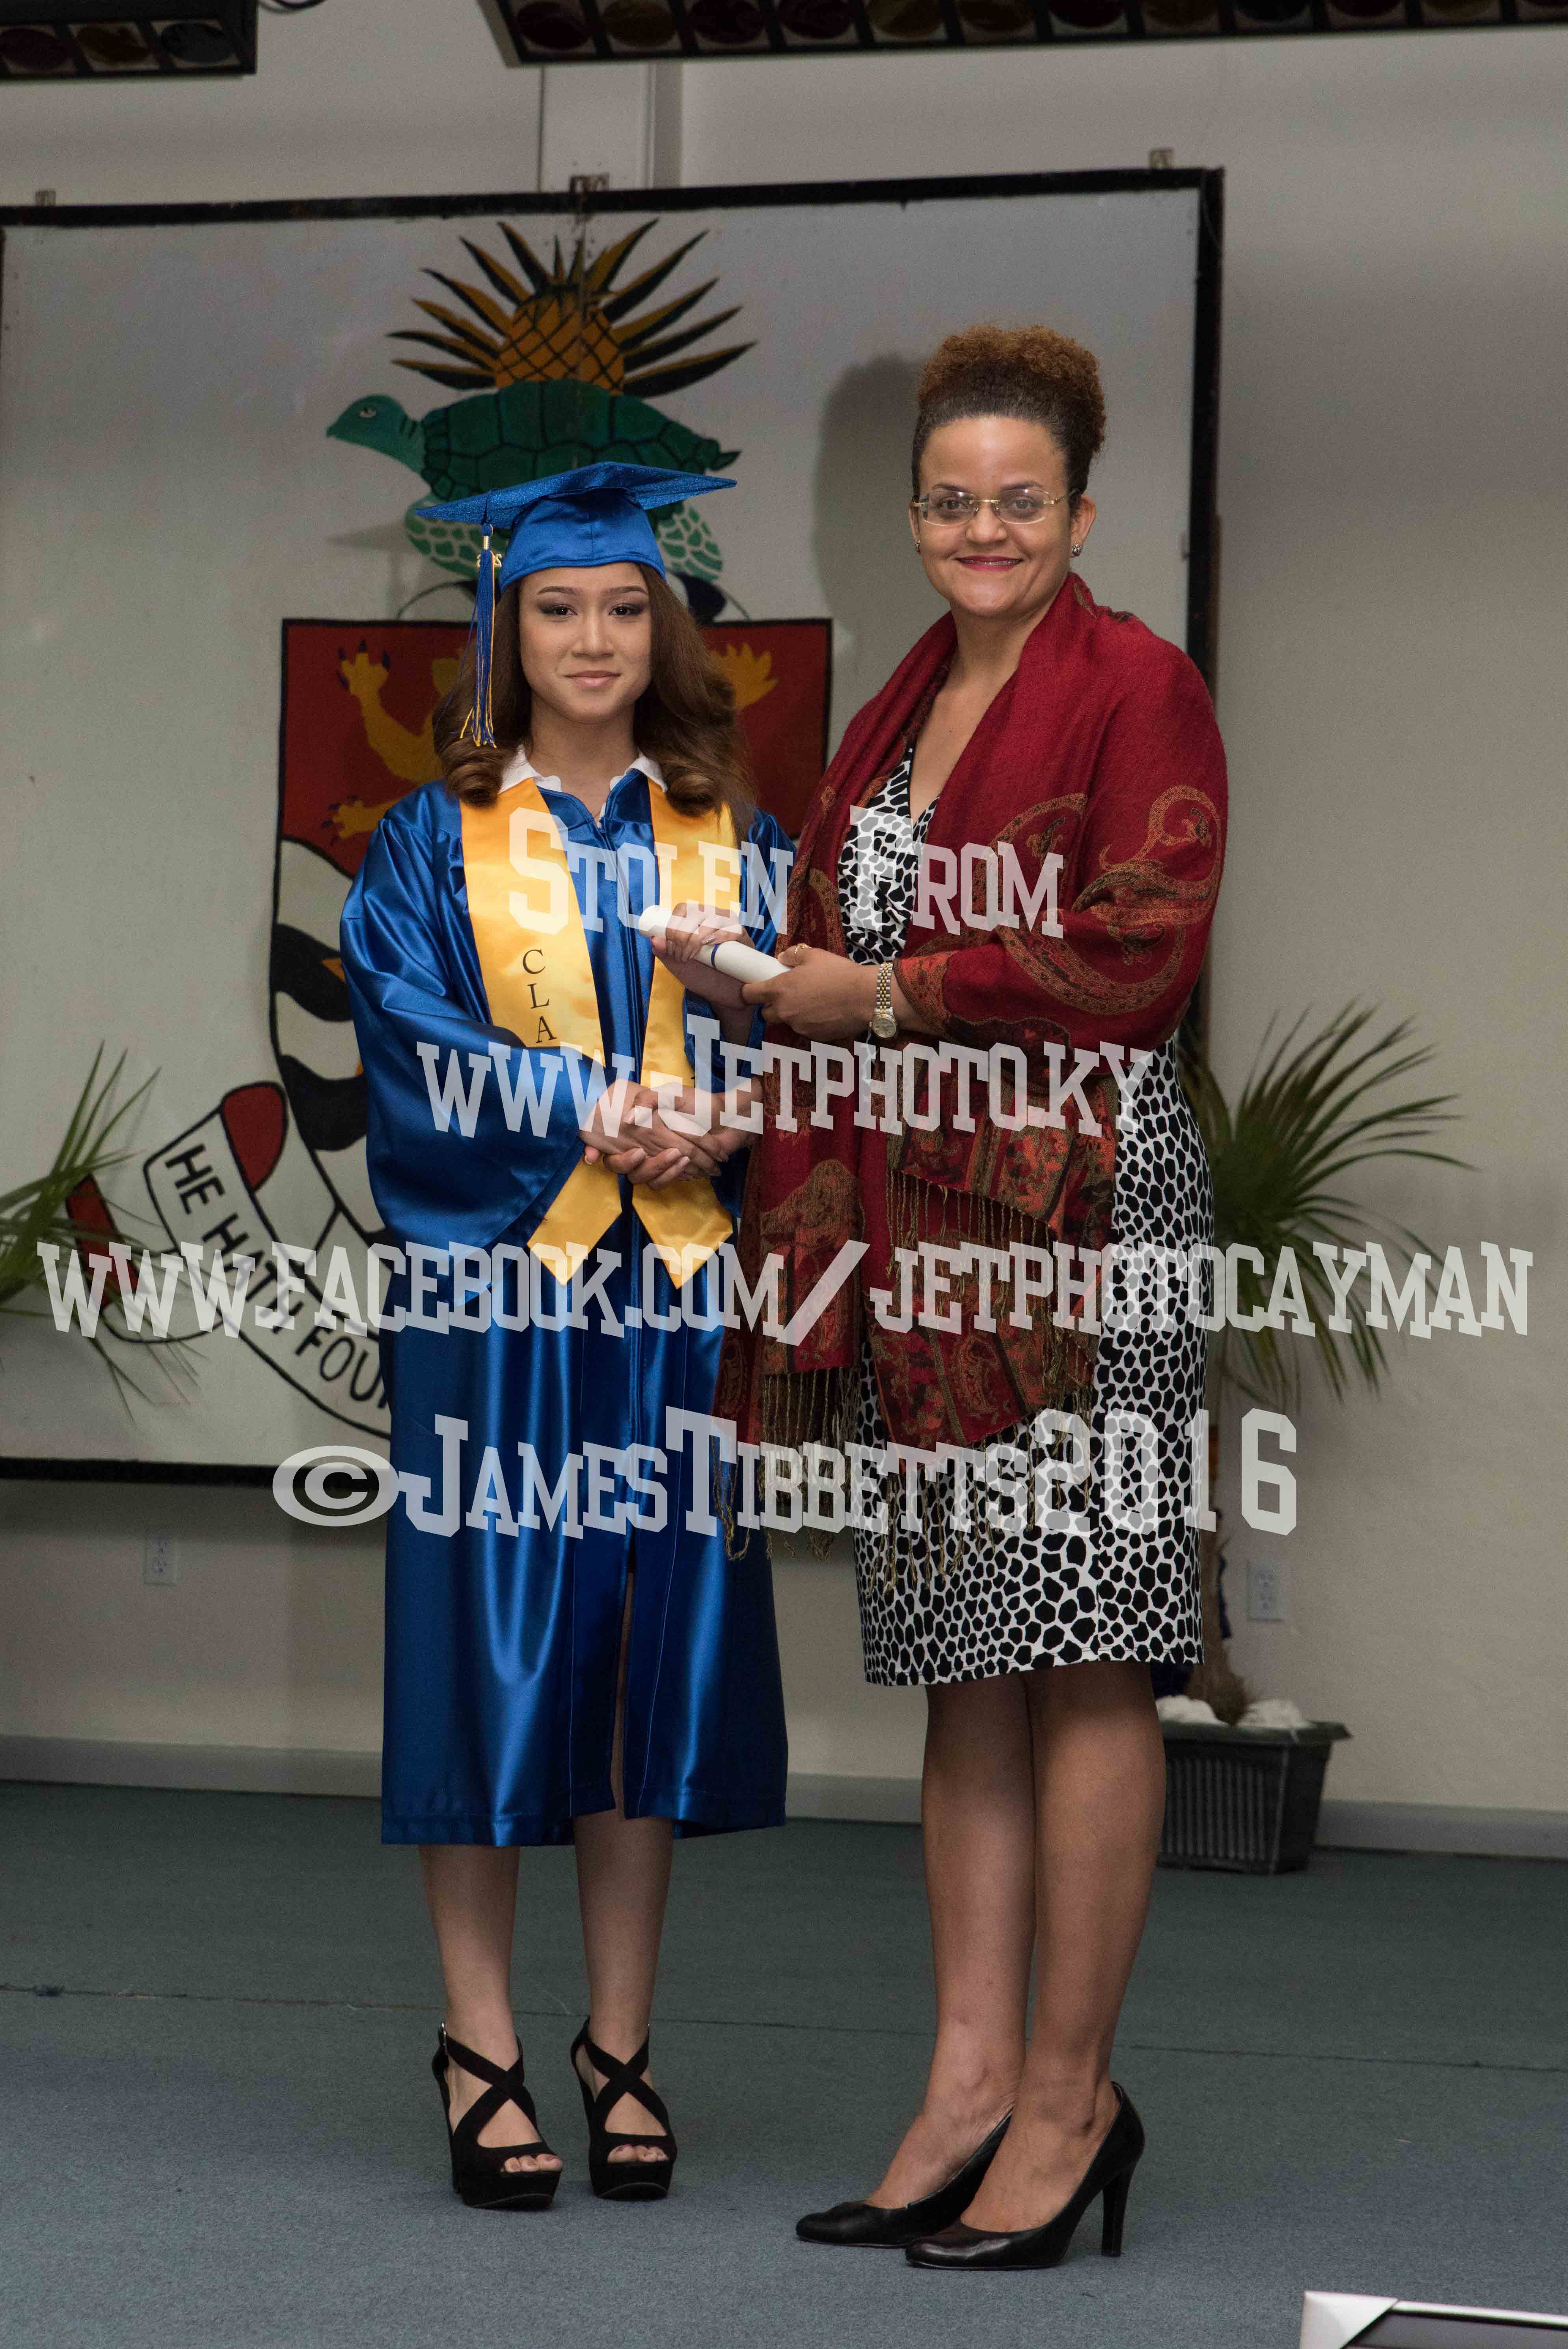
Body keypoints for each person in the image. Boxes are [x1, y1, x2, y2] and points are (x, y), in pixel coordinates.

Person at [688, 329, 1227, 2273]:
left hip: (1079, 1220)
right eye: (947, 498)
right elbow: (836, 958)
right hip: (917, 1233)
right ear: (911, 511)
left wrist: (882, 995)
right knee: (966, 1658)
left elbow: (1139, 951)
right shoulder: (898, 704)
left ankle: (1069, 2099)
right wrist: (762, 1026)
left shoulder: (1136, 684)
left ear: (1077, 513)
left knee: (1081, 1648)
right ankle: (971, 2080)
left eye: (1017, 499)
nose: (979, 528)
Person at [339, 463, 790, 2213]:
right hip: (502, 1296)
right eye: (557, 607)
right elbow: (403, 1033)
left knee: (637, 1659)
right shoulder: (428, 839)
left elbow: (798, 1037)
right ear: (504, 628)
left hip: (671, 1299)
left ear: (660, 628)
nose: (593, 638)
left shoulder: (732, 835)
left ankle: (618, 2045)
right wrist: (585, 1106)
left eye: (621, 606)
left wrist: (729, 1116)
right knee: (484, 1647)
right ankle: (479, 2045)